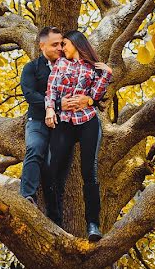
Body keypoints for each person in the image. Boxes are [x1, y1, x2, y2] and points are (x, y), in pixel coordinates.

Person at [44, 30, 112, 241]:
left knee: (88, 172)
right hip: (64, 121)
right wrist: (49, 110)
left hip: (87, 121)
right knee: (51, 169)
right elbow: (51, 91)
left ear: (75, 43)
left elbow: (96, 95)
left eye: (65, 44)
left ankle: (93, 224)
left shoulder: (92, 68)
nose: (62, 48)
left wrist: (106, 75)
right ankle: (54, 220)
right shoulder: (59, 66)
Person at [18, 27, 62, 220]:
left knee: (53, 167)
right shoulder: (32, 68)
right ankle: (27, 196)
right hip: (36, 121)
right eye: (55, 44)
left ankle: (55, 216)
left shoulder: (68, 67)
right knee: (34, 149)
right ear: (42, 45)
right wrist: (51, 104)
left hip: (62, 124)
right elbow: (29, 95)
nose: (59, 48)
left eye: (61, 44)